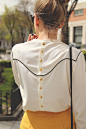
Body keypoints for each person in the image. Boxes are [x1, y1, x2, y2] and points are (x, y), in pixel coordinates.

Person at [11, 0, 86, 129]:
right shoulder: (74, 55)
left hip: (28, 125)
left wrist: (26, 48)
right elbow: (81, 106)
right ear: (62, 23)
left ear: (37, 19)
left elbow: (21, 84)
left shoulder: (17, 51)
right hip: (63, 125)